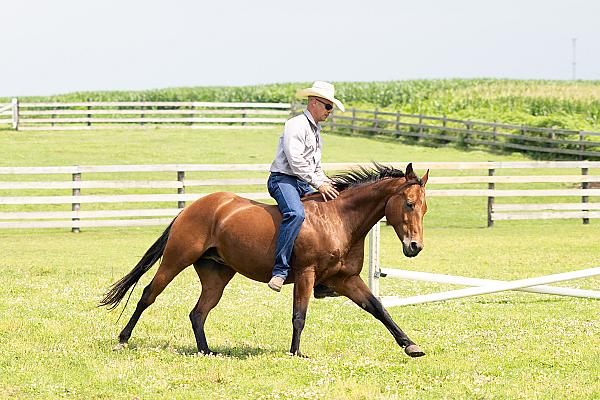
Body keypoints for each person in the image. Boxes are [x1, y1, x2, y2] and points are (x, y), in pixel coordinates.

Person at [267, 81, 345, 296]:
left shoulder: (315, 130)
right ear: (313, 103)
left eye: (331, 107)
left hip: (302, 181)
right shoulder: (296, 124)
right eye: (328, 107)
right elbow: (295, 161)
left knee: (329, 214)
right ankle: (280, 271)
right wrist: (318, 183)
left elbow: (315, 166)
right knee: (295, 213)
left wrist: (327, 183)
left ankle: (322, 279)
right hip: (283, 180)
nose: (330, 112)